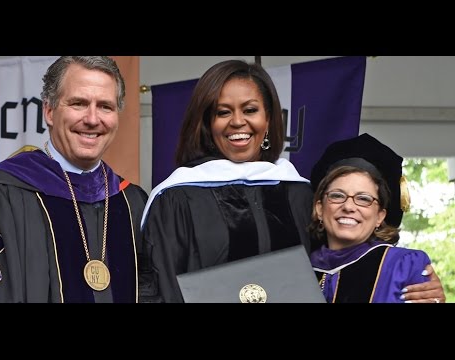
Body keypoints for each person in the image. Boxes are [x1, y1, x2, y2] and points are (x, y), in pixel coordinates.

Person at [140, 59, 444, 303]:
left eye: (250, 110)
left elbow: (344, 268)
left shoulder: (297, 192)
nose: (237, 122)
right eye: (222, 112)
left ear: (269, 119)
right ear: (207, 122)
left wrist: (419, 285)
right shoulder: (176, 198)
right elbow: (158, 288)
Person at [0, 56, 149, 303]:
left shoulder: (131, 201)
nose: (92, 119)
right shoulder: (0, 194)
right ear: (49, 111)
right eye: (78, 103)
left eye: (105, 106)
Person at [309, 133, 446, 303]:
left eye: (364, 199)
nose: (349, 207)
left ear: (380, 216)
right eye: (337, 195)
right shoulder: (298, 269)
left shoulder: (402, 266)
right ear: (320, 208)